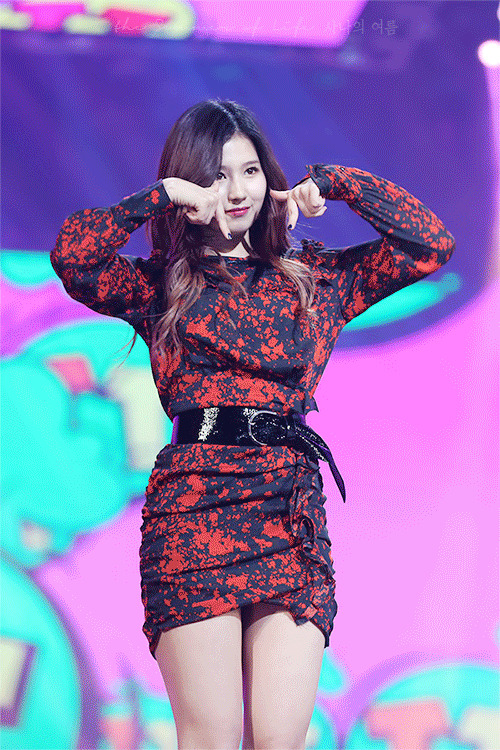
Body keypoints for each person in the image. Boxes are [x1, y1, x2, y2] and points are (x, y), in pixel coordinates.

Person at [51, 98, 455, 750]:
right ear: (191, 184)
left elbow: (429, 243)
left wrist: (337, 183)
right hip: (195, 508)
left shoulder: (317, 279)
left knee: (278, 739)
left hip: (287, 509)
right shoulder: (161, 286)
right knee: (210, 738)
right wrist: (158, 198)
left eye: (249, 172)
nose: (237, 192)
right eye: (216, 176)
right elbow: (75, 258)